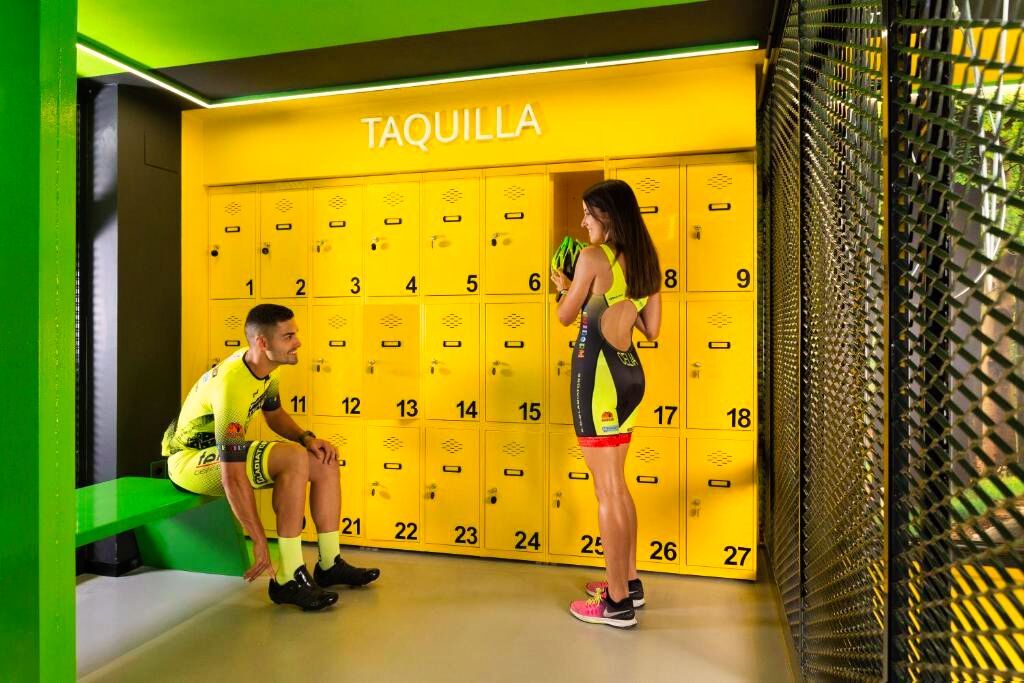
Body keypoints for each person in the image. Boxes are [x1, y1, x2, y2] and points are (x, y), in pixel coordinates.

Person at [161, 303, 379, 611]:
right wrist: (259, 540)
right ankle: (287, 578)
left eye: (295, 334)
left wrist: (307, 438)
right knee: (292, 458)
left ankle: (329, 564)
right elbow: (232, 476)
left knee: (324, 459)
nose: (298, 342)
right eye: (288, 336)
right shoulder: (232, 384)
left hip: (217, 453)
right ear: (263, 342)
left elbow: (274, 415)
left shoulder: (263, 369)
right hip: (188, 462)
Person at [551, 179, 662, 629]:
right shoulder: (646, 259)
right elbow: (651, 329)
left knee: (607, 490)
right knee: (619, 485)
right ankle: (628, 582)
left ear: (608, 216)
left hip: (597, 379)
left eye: (587, 214)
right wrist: (614, 303)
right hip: (629, 375)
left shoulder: (593, 258)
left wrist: (565, 286)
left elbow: (565, 315)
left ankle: (615, 603)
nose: (583, 222)